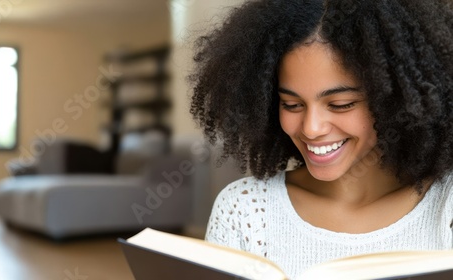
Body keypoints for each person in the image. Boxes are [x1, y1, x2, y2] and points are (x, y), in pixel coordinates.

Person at [188, 0, 453, 278]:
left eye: (340, 104)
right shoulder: (245, 211)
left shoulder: (445, 205)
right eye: (291, 104)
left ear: (397, 100)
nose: (311, 129)